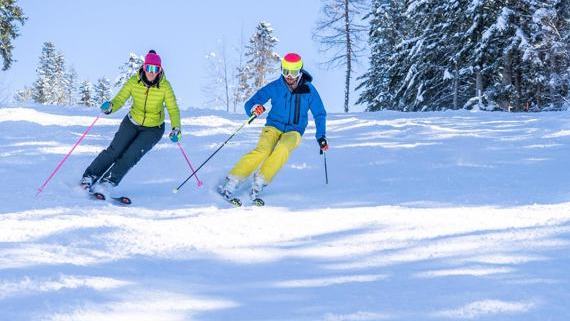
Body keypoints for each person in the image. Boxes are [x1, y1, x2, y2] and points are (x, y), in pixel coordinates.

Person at [219, 52, 328, 201]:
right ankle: (233, 179)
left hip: (294, 131)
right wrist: (254, 108)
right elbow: (250, 103)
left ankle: (261, 180)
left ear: (300, 71)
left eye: (294, 72)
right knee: (263, 150)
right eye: (285, 72)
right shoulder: (276, 87)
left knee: (283, 148)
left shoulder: (309, 90)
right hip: (273, 126)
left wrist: (321, 136)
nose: (289, 76)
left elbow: (319, 113)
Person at [80, 50, 182, 199]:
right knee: (114, 150)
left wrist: (176, 128)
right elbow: (120, 99)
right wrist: (111, 107)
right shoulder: (134, 81)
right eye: (149, 68)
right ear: (144, 67)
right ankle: (89, 177)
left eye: (155, 69)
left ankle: (108, 182)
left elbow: (173, 109)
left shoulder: (165, 86)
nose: (151, 73)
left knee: (130, 156)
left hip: (153, 129)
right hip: (132, 122)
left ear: (160, 70)